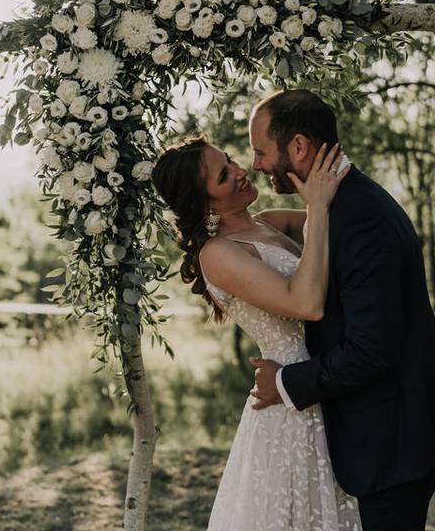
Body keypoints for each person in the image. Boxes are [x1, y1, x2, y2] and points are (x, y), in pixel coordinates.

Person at [247, 89, 435, 531]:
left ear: (298, 146)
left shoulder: (360, 219)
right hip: (388, 429)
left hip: (395, 439)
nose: (255, 164)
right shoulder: (338, 203)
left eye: (260, 151)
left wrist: (285, 382)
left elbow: (371, 351)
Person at [152, 135, 359, 530]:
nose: (241, 171)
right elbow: (307, 304)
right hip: (291, 402)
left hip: (329, 377)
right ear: (204, 203)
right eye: (224, 176)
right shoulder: (218, 254)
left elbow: (343, 219)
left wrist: (323, 177)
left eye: (230, 161)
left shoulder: (271, 223)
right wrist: (315, 208)